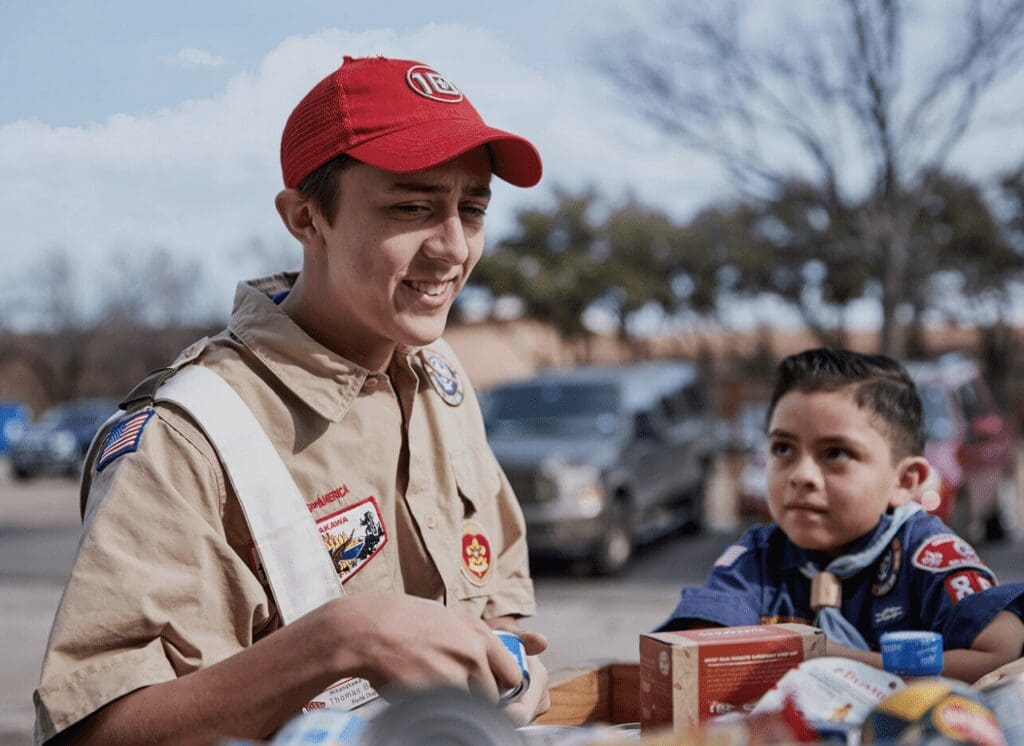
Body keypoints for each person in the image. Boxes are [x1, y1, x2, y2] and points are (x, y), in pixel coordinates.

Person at [34, 55, 549, 744]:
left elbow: (498, 606)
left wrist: (511, 669)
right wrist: (336, 641)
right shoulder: (188, 438)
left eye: (473, 208)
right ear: (306, 218)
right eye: (412, 207)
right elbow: (89, 731)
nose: (454, 247)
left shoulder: (440, 382)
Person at [659, 347, 1024, 683]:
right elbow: (690, 651)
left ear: (904, 481)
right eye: (783, 448)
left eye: (836, 453)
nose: (801, 475)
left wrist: (840, 662)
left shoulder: (927, 552)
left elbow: (997, 651)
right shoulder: (759, 558)